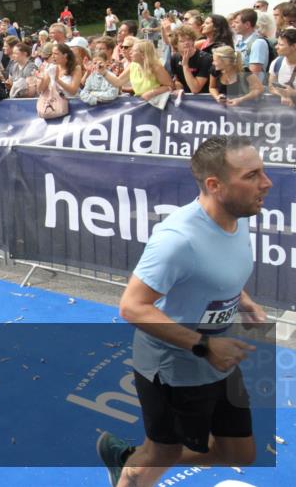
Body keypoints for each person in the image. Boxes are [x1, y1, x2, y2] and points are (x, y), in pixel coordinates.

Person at [97, 136, 270, 487]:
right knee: (164, 452)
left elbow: (219, 269)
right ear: (214, 185)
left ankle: (131, 459)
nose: (266, 183)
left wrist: (243, 299)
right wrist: (204, 345)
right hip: (173, 370)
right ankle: (130, 471)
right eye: (252, 175)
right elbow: (132, 306)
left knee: (240, 454)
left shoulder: (239, 214)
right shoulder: (177, 238)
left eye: (262, 172)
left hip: (218, 360)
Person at [267, 28, 296, 107]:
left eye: (281, 45)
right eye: (277, 43)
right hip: (283, 112)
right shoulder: (277, 62)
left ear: (293, 46)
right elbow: (271, 87)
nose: (276, 47)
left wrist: (293, 93)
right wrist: (283, 95)